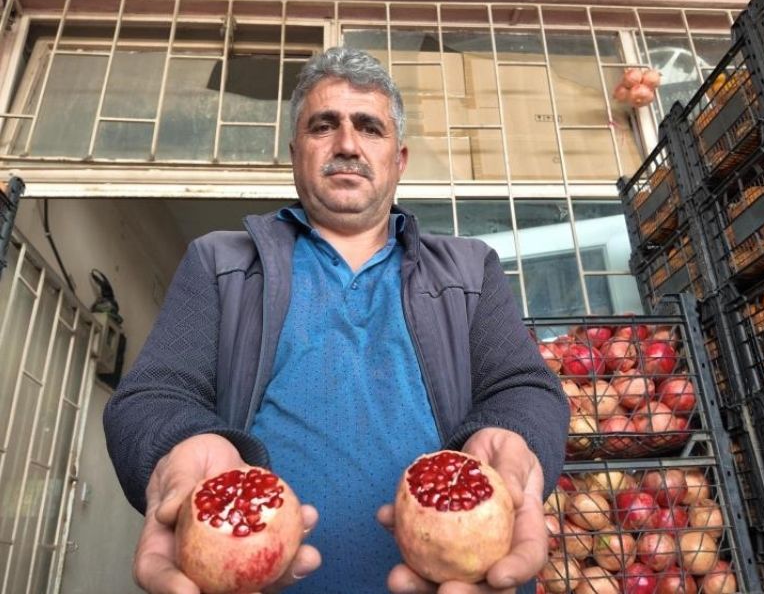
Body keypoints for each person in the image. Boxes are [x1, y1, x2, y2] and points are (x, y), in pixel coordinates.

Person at [103, 46, 569, 594]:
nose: (347, 144)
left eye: (369, 128)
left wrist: (510, 438)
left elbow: (524, 386)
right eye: (324, 126)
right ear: (295, 151)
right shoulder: (220, 262)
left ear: (399, 158)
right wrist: (175, 450)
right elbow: (152, 394)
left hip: (464, 578)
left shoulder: (471, 268)